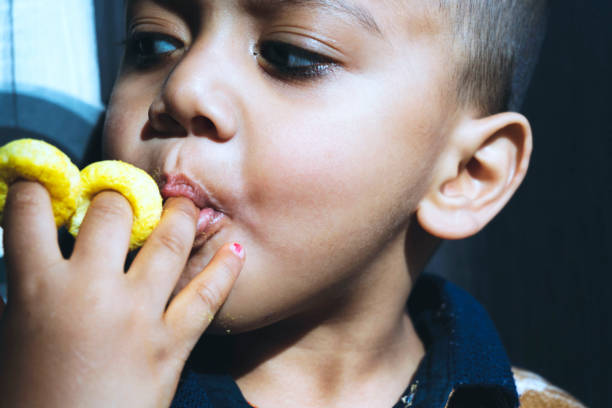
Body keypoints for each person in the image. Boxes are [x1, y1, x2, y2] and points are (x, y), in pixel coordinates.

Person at [0, 1, 586, 407]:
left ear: (465, 175)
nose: (181, 87)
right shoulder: (28, 367)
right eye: (152, 44)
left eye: (290, 55)